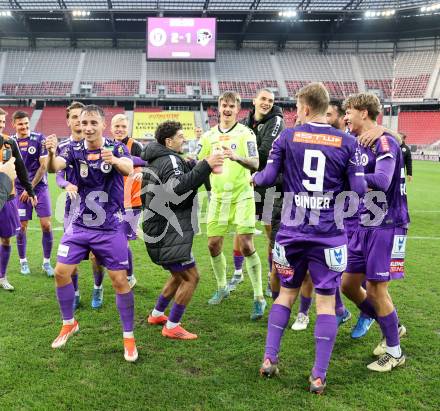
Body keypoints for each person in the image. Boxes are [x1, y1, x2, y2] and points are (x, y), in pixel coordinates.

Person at [254, 83, 366, 394]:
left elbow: (265, 178)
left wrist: (252, 175)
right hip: (328, 234)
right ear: (324, 107)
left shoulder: (288, 136)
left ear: (304, 108)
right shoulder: (347, 142)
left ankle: (269, 359)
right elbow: (358, 190)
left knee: (285, 294)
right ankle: (318, 375)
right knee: (326, 303)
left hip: (291, 231)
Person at [45, 105, 137, 362]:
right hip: (80, 224)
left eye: (92, 123)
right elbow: (55, 168)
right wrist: (51, 152)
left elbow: (129, 169)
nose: (87, 127)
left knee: (120, 281)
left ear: (102, 125)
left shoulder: (116, 147)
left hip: (109, 226)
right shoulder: (73, 149)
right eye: (84, 123)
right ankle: (68, 323)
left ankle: (128, 338)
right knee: (61, 272)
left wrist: (115, 161)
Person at [341, 92, 408, 372]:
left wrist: (350, 176)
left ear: (364, 113)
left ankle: (394, 352)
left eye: (349, 111)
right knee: (347, 284)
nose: (345, 116)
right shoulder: (359, 141)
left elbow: (382, 180)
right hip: (363, 223)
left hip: (387, 224)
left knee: (377, 288)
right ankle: (392, 325)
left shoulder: (383, 141)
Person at [142, 120, 223, 339]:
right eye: (180, 136)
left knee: (179, 275)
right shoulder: (168, 158)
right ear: (168, 141)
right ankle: (172, 326)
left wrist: (194, 165)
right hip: (167, 229)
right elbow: (176, 189)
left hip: (159, 227)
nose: (183, 139)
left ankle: (157, 314)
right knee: (191, 277)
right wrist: (205, 165)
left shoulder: (159, 158)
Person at [197, 91, 266, 320]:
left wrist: (236, 157)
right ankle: (222, 286)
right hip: (218, 197)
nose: (227, 109)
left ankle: (258, 297)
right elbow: (199, 162)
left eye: (231, 106)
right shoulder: (208, 136)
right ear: (218, 107)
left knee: (246, 244)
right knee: (213, 244)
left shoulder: (246, 134)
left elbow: (256, 163)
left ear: (238, 110)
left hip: (242, 195)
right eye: (224, 105)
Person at [228, 88, 285, 296]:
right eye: (263, 99)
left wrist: (241, 158)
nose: (266, 103)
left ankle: (272, 278)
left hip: (271, 184)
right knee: (241, 228)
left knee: (271, 232)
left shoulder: (276, 121)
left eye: (270, 100)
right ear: (254, 101)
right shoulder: (244, 123)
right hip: (249, 183)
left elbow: (262, 155)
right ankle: (237, 272)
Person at [55, 101, 107, 310]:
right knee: (70, 256)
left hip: (98, 209)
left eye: (81, 117)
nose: (78, 122)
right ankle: (75, 292)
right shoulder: (65, 148)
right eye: (74, 118)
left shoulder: (101, 145)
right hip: (73, 209)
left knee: (96, 255)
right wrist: (67, 184)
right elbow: (58, 176)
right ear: (69, 121)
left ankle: (98, 287)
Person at [10, 110, 54, 276]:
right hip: (19, 190)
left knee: (46, 225)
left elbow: (43, 167)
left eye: (26, 123)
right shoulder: (10, 142)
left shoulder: (39, 139)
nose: (24, 126)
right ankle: (23, 262)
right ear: (14, 124)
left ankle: (46, 263)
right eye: (20, 124)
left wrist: (31, 189)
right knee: (22, 227)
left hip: (39, 188)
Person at [0, 107, 36, 291]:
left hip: (8, 198)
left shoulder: (9, 142)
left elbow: (21, 169)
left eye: (3, 123)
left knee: (6, 239)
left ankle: (2, 276)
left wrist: (30, 191)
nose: (1, 126)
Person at [110, 113, 146, 289]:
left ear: (128, 128)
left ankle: (129, 276)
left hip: (132, 201)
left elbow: (148, 162)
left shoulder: (136, 146)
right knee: (115, 239)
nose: (120, 129)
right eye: (117, 126)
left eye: (123, 127)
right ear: (111, 127)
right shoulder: (107, 145)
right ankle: (125, 273)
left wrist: (142, 172)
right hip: (112, 201)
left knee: (122, 240)